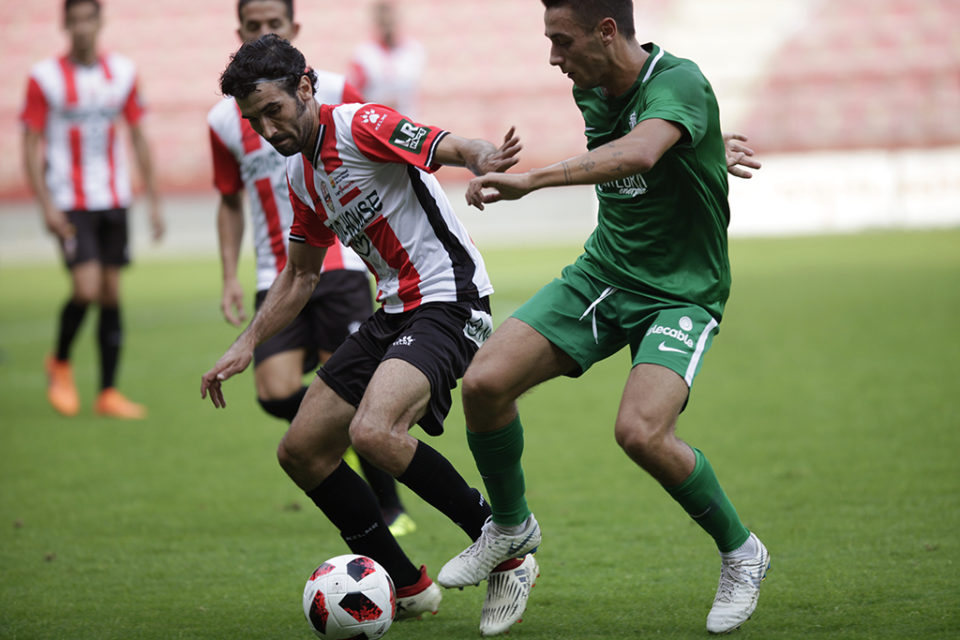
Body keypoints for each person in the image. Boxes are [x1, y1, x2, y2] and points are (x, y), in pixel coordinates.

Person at [438, 1, 770, 635]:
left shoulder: (680, 80)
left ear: (608, 31)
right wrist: (698, 146)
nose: (554, 58)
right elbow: (645, 147)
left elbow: (641, 153)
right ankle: (510, 529)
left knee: (641, 433)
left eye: (562, 42)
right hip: (603, 276)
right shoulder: (591, 87)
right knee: (483, 384)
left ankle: (742, 552)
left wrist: (533, 181)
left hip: (681, 291)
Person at [200, 34, 536, 636]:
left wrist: (483, 158)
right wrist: (247, 341)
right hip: (394, 311)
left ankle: (507, 547)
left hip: (449, 298)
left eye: (273, 111)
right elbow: (301, 274)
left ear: (305, 89)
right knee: (301, 450)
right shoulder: (302, 178)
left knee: (374, 432)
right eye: (253, 122)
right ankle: (407, 587)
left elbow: (447, 143)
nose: (267, 131)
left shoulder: (361, 124)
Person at [207, 0, 414, 537]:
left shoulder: (338, 90)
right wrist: (229, 273)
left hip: (341, 263)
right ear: (240, 31)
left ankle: (387, 507)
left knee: (347, 383)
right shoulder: (223, 118)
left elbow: (379, 160)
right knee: (275, 392)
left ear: (294, 28)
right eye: (253, 25)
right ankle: (339, 445)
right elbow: (229, 199)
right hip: (276, 272)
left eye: (273, 22)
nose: (264, 29)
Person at [21, 0, 164, 419]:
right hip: (69, 201)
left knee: (110, 293)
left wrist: (153, 199)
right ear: (65, 24)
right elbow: (29, 145)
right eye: (75, 19)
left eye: (89, 18)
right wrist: (45, 205)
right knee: (86, 288)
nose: (83, 27)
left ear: (100, 22)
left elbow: (138, 136)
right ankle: (60, 361)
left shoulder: (122, 72)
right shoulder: (44, 78)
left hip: (114, 198)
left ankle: (107, 392)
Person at [347, 0, 425, 116]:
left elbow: (412, 86)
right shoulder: (364, 54)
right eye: (383, 23)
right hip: (375, 118)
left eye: (390, 22)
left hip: (406, 118)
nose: (388, 28)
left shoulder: (413, 50)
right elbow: (355, 92)